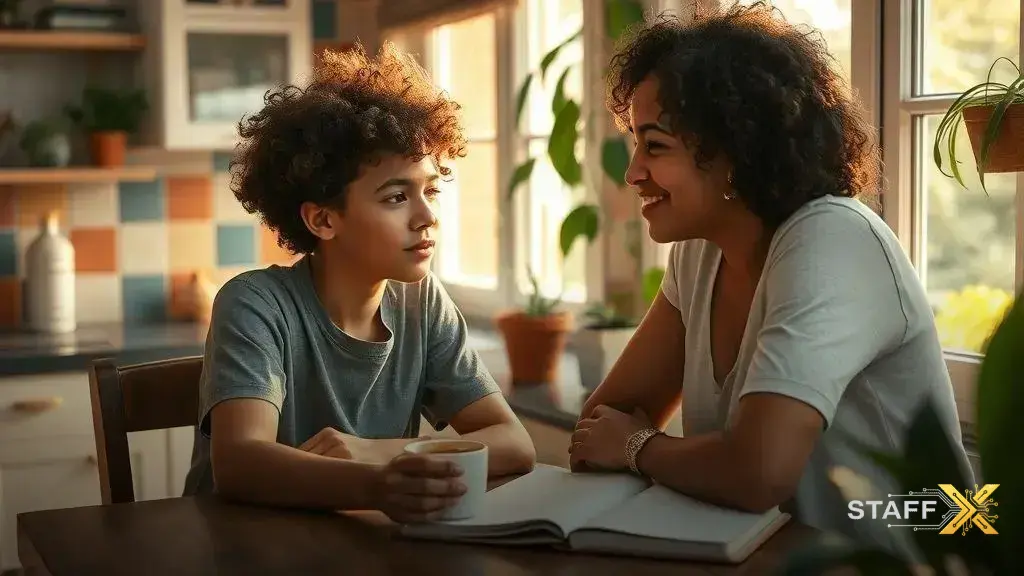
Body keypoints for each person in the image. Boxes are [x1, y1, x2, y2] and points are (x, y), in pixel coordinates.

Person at [568, 2, 973, 557]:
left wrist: (639, 446)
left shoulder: (833, 241)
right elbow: (597, 431)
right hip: (772, 556)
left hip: (911, 562)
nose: (633, 172)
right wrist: (643, 445)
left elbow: (758, 472)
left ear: (736, 151)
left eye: (655, 146)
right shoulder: (698, 254)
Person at [182, 42, 536, 522]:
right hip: (240, 550)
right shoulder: (255, 304)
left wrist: (377, 452)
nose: (427, 216)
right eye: (396, 197)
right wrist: (377, 486)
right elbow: (241, 462)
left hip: (359, 549)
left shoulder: (421, 301)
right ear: (324, 220)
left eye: (430, 190)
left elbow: (514, 443)